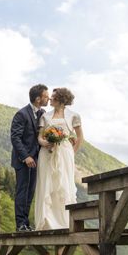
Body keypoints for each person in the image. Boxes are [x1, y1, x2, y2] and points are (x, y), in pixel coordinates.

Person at [35, 87, 84, 230]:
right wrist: (45, 143)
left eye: (53, 97)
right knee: (47, 184)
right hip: (47, 154)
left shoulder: (74, 116)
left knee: (64, 185)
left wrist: (71, 153)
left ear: (61, 99)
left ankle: (64, 222)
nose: (50, 99)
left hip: (65, 154)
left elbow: (80, 137)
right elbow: (40, 137)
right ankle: (47, 222)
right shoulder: (45, 116)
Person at [10, 84, 49, 232]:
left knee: (30, 192)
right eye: (46, 96)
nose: (48, 98)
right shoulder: (21, 114)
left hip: (36, 160)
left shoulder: (42, 113)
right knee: (22, 191)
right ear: (38, 98)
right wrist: (26, 157)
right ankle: (20, 224)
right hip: (23, 161)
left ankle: (26, 223)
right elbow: (15, 138)